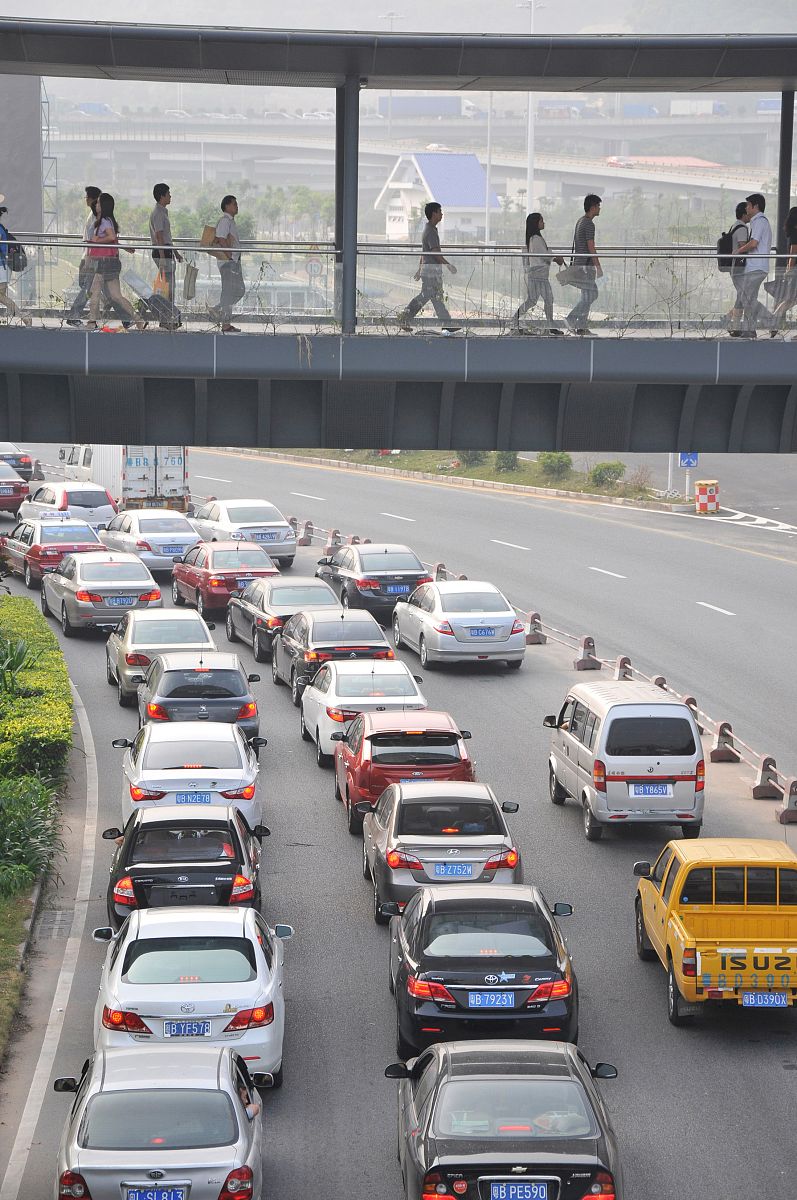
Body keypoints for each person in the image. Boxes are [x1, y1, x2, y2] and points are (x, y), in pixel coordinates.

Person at [397, 202, 461, 334]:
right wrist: (448, 265)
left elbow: (424, 253)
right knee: (427, 296)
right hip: (431, 271)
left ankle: (446, 323)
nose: (441, 214)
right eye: (439, 211)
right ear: (434, 214)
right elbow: (434, 253)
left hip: (429, 270)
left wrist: (420, 269)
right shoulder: (430, 231)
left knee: (436, 298)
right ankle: (404, 318)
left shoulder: (430, 229)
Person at [86, 192, 143, 332]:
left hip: (104, 263)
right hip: (111, 262)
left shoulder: (104, 221)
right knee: (116, 296)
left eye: (99, 203)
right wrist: (124, 247)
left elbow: (111, 237)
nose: (96, 205)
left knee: (94, 292)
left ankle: (92, 322)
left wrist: (97, 241)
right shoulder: (108, 220)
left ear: (104, 206)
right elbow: (113, 240)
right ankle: (138, 319)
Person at [512, 212, 565, 334]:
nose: (543, 223)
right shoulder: (536, 239)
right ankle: (550, 325)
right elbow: (545, 256)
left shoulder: (534, 239)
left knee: (534, 300)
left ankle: (515, 320)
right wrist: (557, 259)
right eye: (541, 221)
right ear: (536, 223)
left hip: (537, 275)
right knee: (546, 299)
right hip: (539, 275)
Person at [735, 192, 774, 338]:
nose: (746, 209)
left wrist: (738, 251)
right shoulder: (760, 221)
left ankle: (771, 321)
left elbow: (754, 243)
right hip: (758, 266)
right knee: (749, 297)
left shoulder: (760, 221)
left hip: (756, 267)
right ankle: (750, 329)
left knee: (747, 297)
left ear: (755, 206)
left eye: (748, 206)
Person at [565, 194, 602, 335]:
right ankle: (572, 319)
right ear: (593, 207)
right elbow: (591, 247)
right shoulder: (589, 224)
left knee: (588, 295)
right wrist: (598, 267)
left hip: (579, 265)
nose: (599, 208)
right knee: (592, 294)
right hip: (586, 267)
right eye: (598, 205)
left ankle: (581, 327)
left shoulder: (580, 221)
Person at [210, 195, 245, 334]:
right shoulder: (225, 221)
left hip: (232, 261)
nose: (237, 206)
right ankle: (225, 323)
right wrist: (230, 256)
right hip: (228, 263)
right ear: (227, 206)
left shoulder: (230, 221)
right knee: (230, 292)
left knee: (236, 291)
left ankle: (218, 310)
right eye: (234, 204)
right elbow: (221, 239)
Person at [150, 183, 182, 318]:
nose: (170, 196)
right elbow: (159, 235)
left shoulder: (163, 211)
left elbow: (167, 237)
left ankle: (169, 315)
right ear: (162, 196)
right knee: (167, 286)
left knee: (169, 284)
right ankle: (167, 315)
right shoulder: (158, 213)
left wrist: (175, 252)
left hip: (166, 250)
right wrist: (163, 256)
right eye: (168, 193)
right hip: (162, 252)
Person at [0, 199, 31, 326]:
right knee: (2, 295)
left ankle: (23, 316)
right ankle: (15, 317)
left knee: (1, 296)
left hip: (1, 267)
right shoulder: (1, 228)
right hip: (3, 267)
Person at [725, 200, 750, 336]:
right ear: (744, 214)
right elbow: (742, 247)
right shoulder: (742, 228)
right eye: (748, 212)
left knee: (741, 295)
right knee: (742, 294)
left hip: (734, 267)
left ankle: (730, 319)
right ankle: (733, 323)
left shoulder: (735, 225)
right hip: (739, 267)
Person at [771, 206, 797, 336]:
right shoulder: (795, 233)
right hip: (796, 272)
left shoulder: (792, 232)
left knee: (790, 300)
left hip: (794, 271)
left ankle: (773, 320)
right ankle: (774, 319)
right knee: (790, 300)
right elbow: (793, 253)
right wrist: (789, 269)